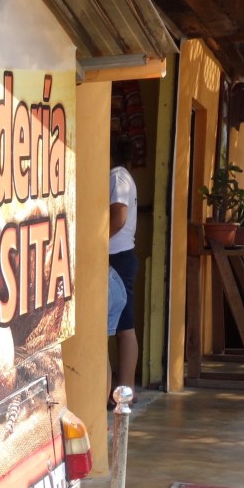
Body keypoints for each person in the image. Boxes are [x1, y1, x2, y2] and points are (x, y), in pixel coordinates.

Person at [108, 136, 138, 401]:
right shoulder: (123, 175)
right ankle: (125, 389)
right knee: (124, 326)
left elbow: (118, 216)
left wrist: (96, 241)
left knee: (121, 327)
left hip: (116, 257)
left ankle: (125, 389)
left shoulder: (117, 176)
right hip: (123, 256)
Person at [107, 266, 127, 403]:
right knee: (101, 352)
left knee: (98, 352)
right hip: (111, 278)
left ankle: (99, 415)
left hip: (106, 280)